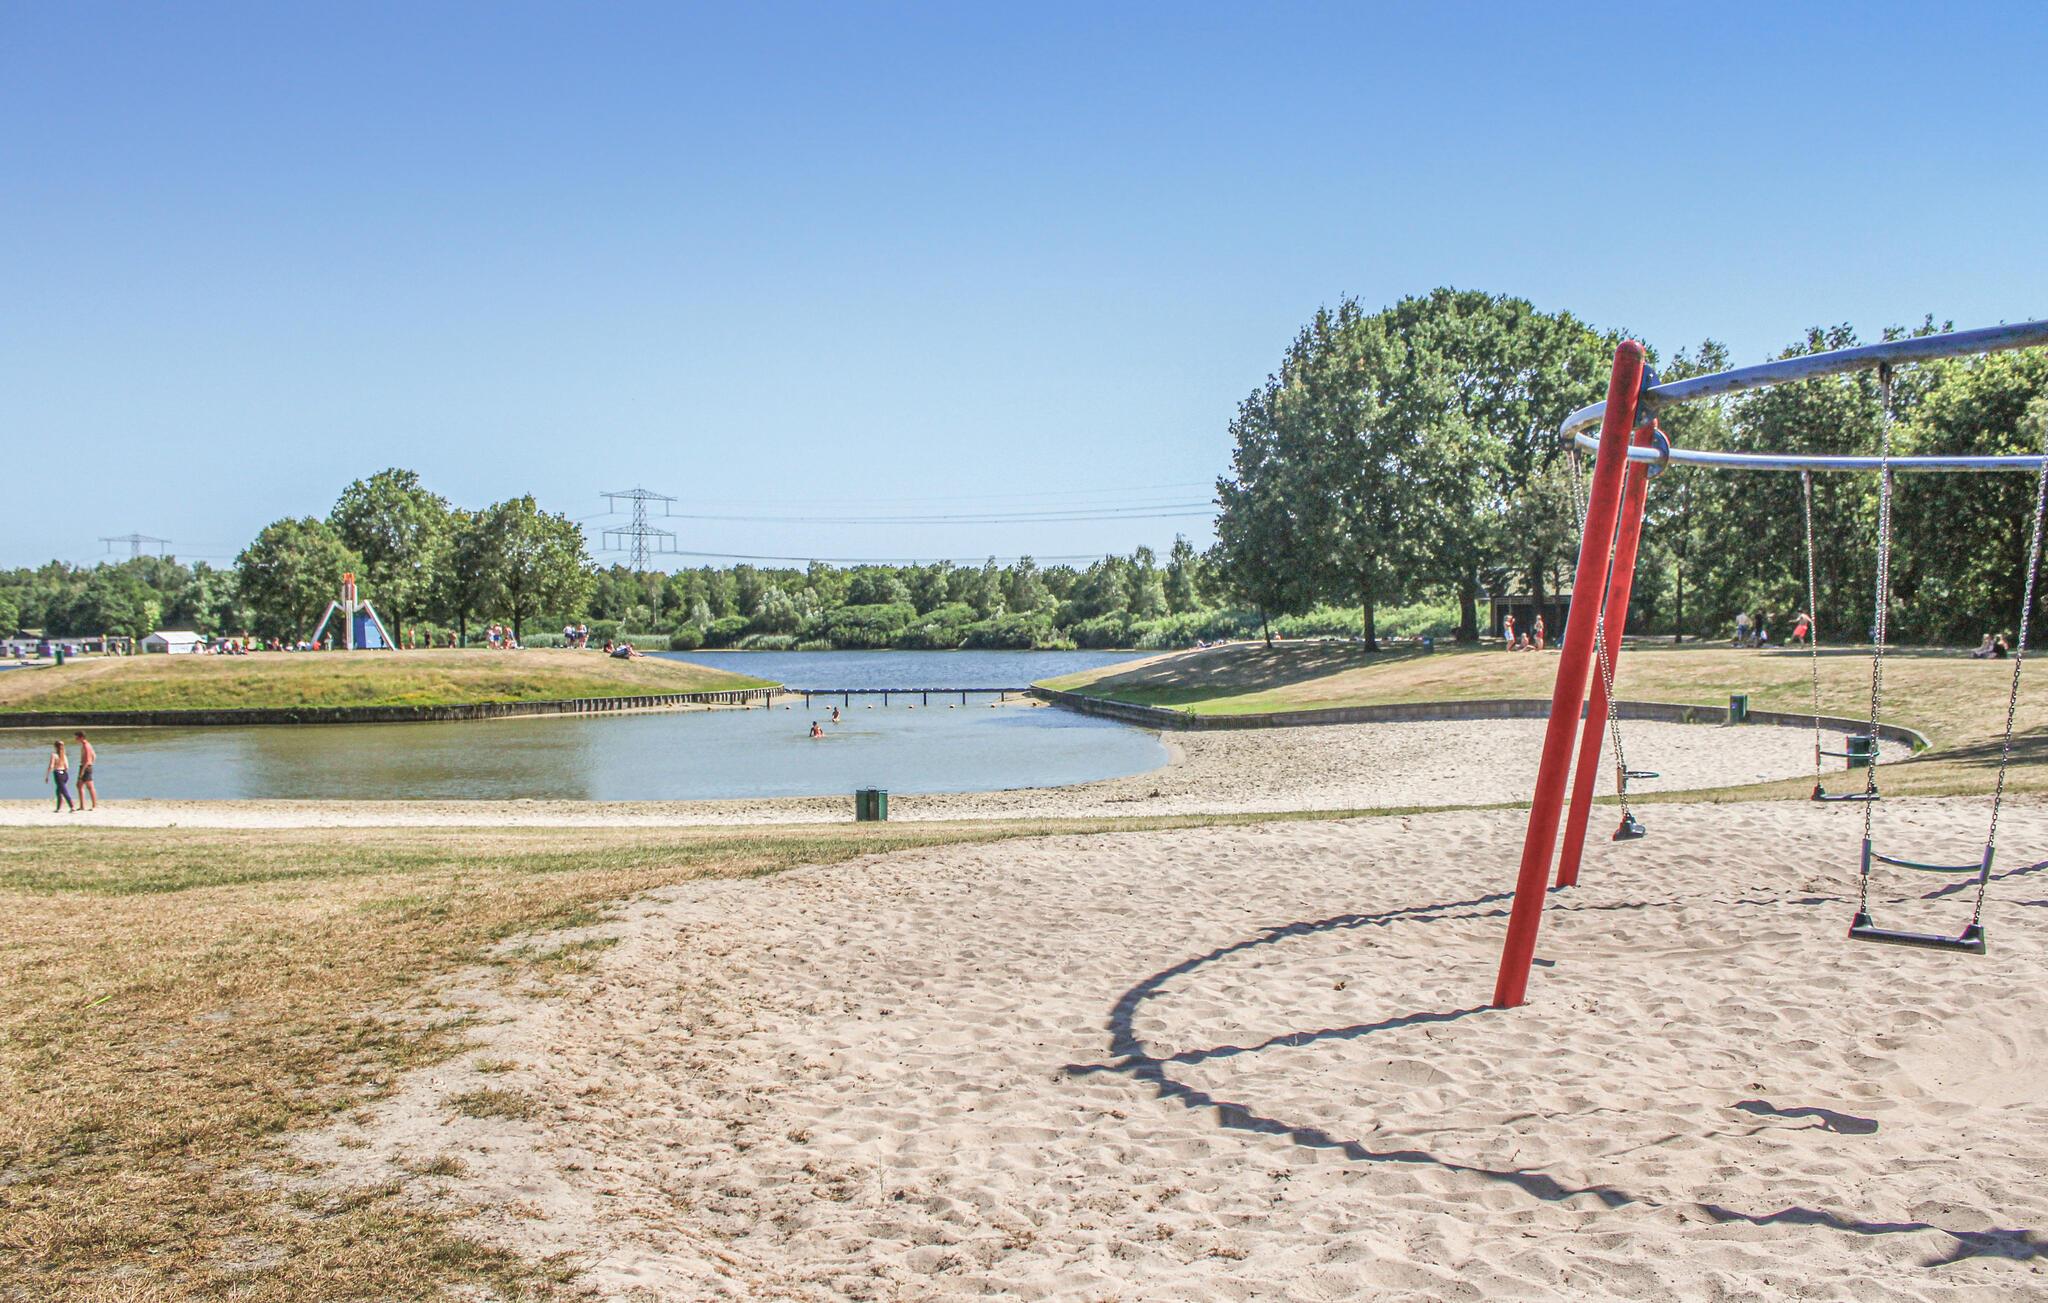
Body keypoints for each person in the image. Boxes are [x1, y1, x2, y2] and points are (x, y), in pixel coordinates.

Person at [46, 741, 75, 814]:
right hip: (64, 774)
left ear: (55, 747)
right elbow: (67, 767)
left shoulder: (54, 755)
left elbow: (51, 766)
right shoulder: (64, 755)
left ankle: (72, 806)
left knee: (64, 791)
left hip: (58, 774)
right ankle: (58, 808)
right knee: (58, 791)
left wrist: (47, 775)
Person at [73, 732, 97, 810]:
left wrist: (83, 771)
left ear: (81, 737)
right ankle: (82, 806)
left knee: (89, 786)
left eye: (77, 737)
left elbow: (87, 760)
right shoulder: (87, 745)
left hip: (85, 767)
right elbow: (94, 756)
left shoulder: (86, 746)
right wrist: (91, 763)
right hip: (85, 766)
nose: (76, 739)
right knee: (79, 785)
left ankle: (94, 805)